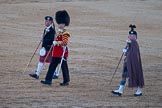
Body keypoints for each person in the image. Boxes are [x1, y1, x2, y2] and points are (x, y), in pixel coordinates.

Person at [111, 24, 144, 96]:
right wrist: (126, 50)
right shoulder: (129, 43)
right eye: (130, 35)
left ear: (135, 37)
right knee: (124, 75)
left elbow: (134, 54)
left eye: (133, 36)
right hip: (128, 62)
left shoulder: (134, 43)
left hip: (133, 63)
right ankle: (120, 90)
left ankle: (139, 90)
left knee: (136, 75)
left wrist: (127, 52)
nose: (131, 37)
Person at [40, 10, 70, 86]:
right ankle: (48, 80)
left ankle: (66, 81)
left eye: (61, 24)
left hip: (62, 53)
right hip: (56, 53)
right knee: (52, 67)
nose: (60, 25)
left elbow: (65, 42)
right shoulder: (58, 32)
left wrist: (57, 43)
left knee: (64, 68)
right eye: (59, 23)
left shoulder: (65, 33)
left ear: (64, 24)